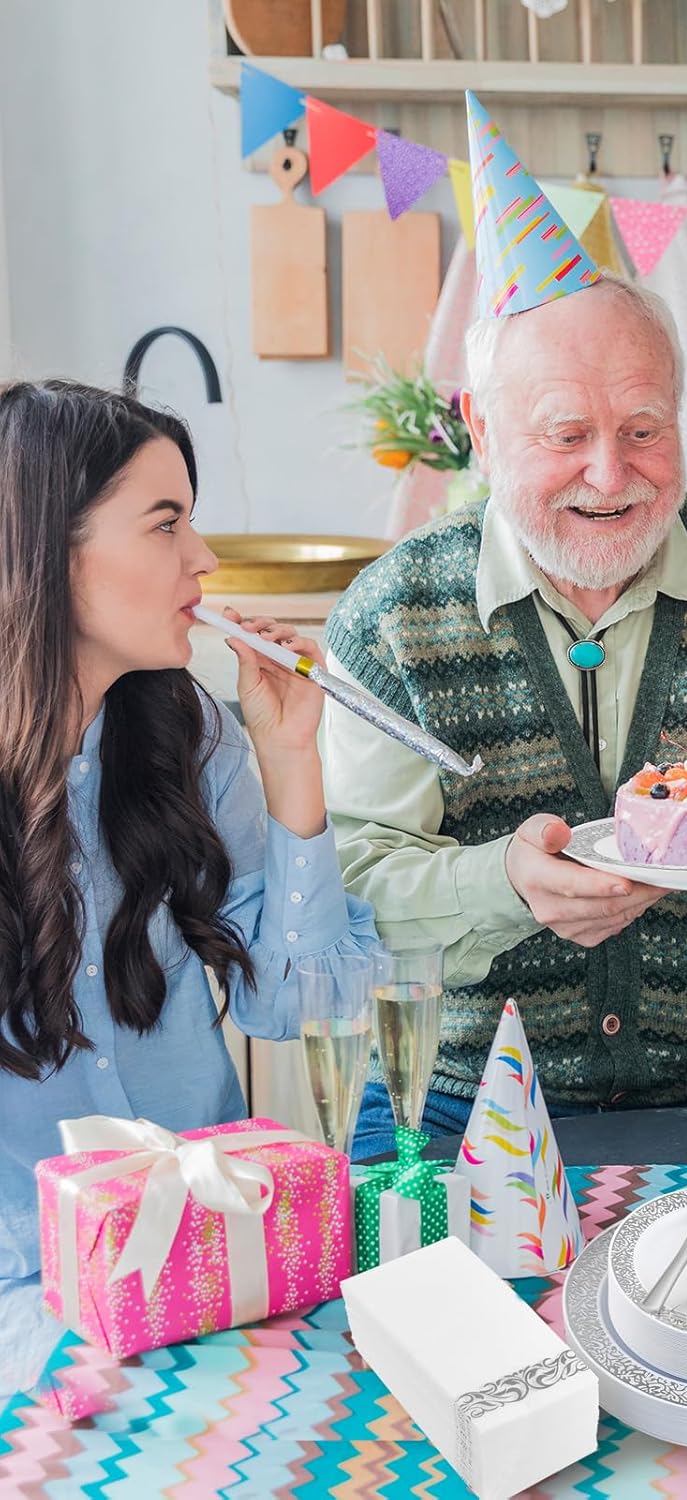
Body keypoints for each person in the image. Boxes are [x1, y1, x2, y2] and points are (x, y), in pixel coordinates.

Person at [328, 272, 687, 1160]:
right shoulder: (393, 618)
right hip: (460, 1093)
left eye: (644, 432)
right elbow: (350, 903)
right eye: (567, 435)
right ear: (482, 432)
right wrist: (508, 886)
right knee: (398, 1294)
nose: (610, 476)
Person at [0, 380, 380, 1396]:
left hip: (223, 1265)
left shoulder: (191, 738)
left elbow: (301, 1002)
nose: (205, 560)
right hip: (27, 1305)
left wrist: (292, 758)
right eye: (166, 523)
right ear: (44, 548)